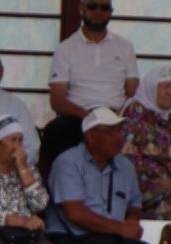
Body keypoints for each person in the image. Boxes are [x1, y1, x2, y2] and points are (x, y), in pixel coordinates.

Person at [45, 107, 150, 244]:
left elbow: (134, 203)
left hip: (109, 236)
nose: (120, 137)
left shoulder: (125, 166)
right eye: (111, 131)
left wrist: (132, 220)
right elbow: (75, 213)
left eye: (120, 130)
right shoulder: (68, 162)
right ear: (91, 135)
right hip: (70, 234)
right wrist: (121, 229)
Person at [45, 0, 139, 163]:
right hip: (80, 116)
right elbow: (57, 101)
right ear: (81, 8)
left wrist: (115, 117)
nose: (98, 11)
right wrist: (88, 117)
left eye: (104, 7)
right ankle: (69, 184)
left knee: (140, 133)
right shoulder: (65, 49)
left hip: (116, 116)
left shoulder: (125, 47)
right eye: (92, 6)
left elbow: (133, 93)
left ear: (111, 11)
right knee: (56, 131)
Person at [123, 67, 171, 222]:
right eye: (165, 87)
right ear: (151, 88)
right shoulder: (136, 111)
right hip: (144, 186)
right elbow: (128, 159)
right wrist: (163, 182)